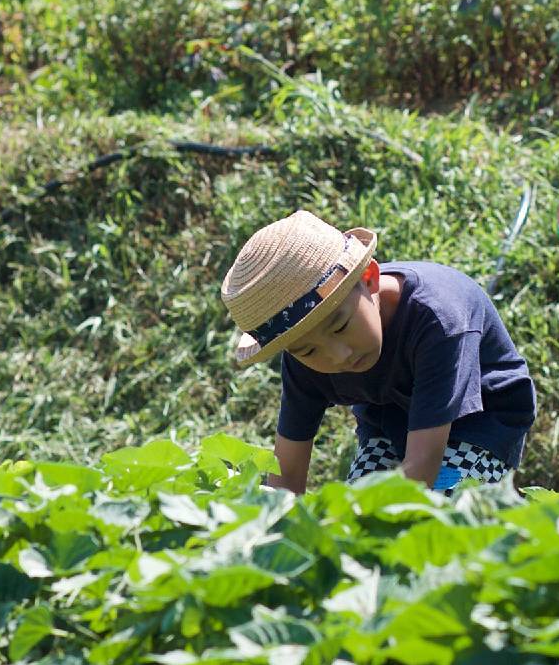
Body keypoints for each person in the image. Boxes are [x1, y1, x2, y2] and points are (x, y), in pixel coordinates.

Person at [221, 210, 536, 493]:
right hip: (388, 417)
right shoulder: (303, 357)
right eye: (308, 350)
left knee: (440, 508)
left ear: (369, 278)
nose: (338, 355)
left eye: (341, 326)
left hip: (481, 419)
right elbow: (286, 473)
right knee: (361, 508)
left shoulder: (438, 320)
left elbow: (420, 471)